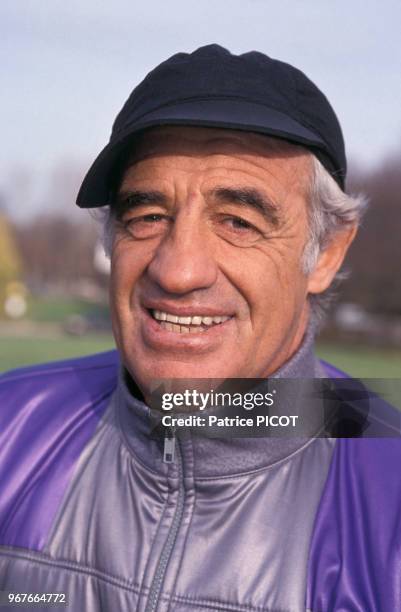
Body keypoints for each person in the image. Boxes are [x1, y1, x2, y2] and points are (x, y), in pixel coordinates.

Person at [0, 44, 400, 612]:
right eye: (147, 216)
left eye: (238, 221)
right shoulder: (10, 426)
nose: (178, 269)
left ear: (327, 254)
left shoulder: (389, 507)